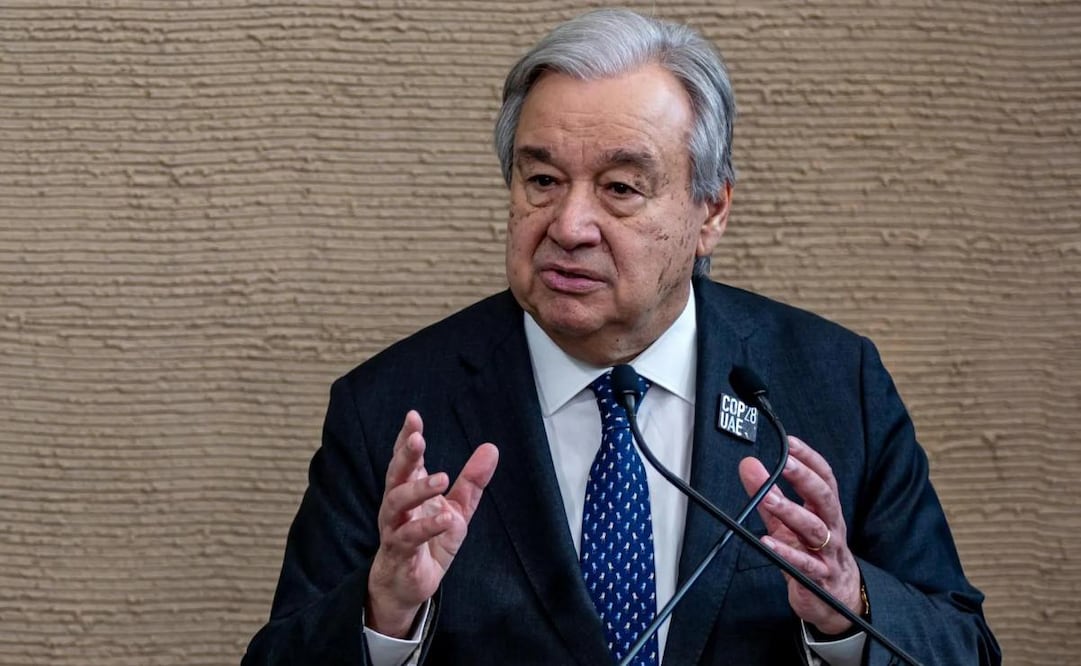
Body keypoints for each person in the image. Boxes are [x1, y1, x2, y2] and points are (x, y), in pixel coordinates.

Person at [243, 9, 999, 665]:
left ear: (712, 212)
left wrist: (848, 605)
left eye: (620, 189)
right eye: (540, 181)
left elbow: (964, 648)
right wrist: (384, 616)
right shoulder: (392, 408)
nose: (569, 227)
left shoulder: (834, 384)